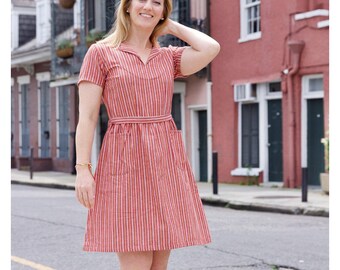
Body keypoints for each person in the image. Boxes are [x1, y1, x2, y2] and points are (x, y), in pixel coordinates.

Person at [74, 0, 220, 269]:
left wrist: (170, 25)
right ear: (127, 6)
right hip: (124, 161)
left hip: (164, 163)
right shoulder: (101, 53)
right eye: (142, 0)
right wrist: (83, 169)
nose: (148, 6)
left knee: (159, 265)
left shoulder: (168, 57)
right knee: (136, 260)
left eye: (157, 3)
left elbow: (211, 47)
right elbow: (88, 117)